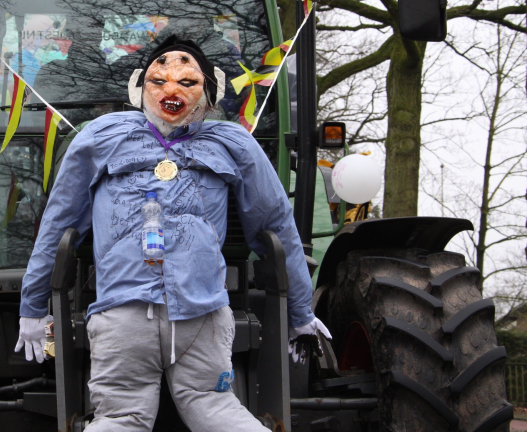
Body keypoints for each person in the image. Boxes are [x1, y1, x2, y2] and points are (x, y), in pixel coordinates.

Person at [16, 35, 331, 431]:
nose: (172, 90)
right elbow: (59, 224)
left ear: (208, 92)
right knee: (120, 417)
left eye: (187, 82)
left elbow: (275, 225)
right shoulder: (100, 136)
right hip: (124, 310)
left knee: (214, 408)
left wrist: (300, 310)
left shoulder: (233, 142)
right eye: (159, 80)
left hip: (202, 311)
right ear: (139, 87)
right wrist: (33, 305)